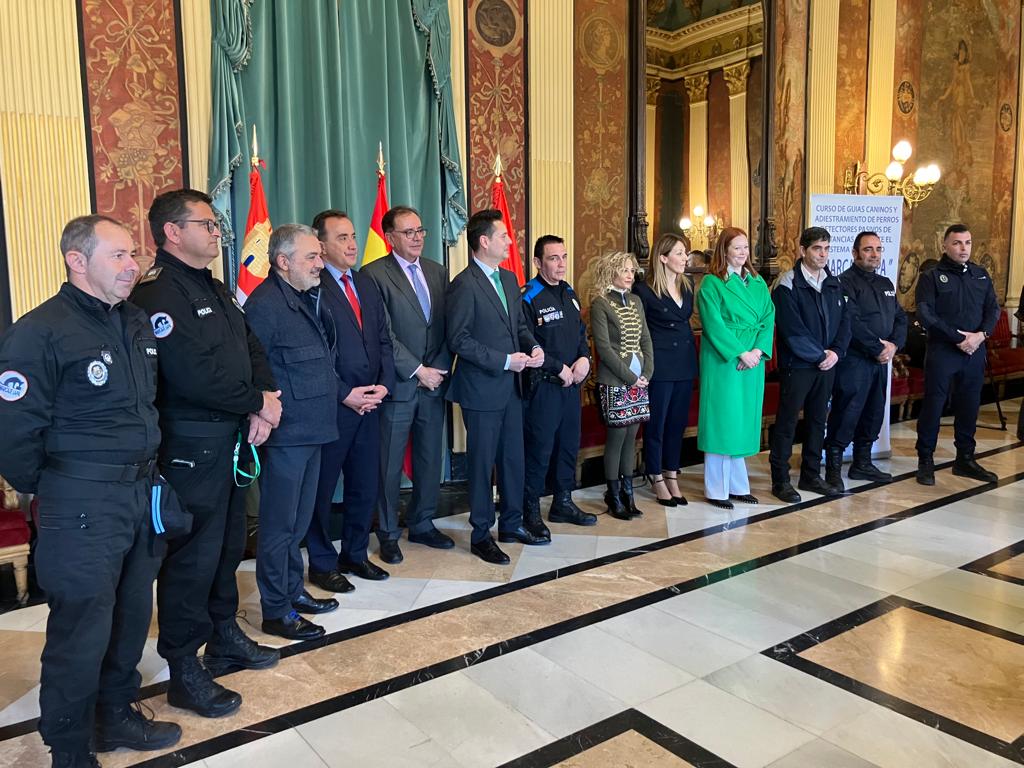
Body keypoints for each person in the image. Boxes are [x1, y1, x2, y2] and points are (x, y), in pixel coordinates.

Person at [0, 216, 180, 767]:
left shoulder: (134, 321)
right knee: (81, 630)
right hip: (79, 502)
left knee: (128, 618)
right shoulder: (39, 331)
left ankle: (115, 716)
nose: (133, 265)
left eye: (133, 255)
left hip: (138, 493)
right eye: (119, 256)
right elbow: (14, 435)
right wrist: (60, 487)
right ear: (77, 261)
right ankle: (71, 747)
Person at [131, 190, 281, 719]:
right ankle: (182, 666)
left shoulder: (212, 286)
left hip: (234, 437)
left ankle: (222, 634)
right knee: (191, 558)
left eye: (217, 224)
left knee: (227, 547)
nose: (219, 232)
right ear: (173, 232)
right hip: (191, 445)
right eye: (208, 224)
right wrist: (255, 401)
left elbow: (251, 346)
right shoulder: (158, 293)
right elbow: (191, 376)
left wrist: (265, 402)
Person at [244, 225, 340, 640]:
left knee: (298, 523)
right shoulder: (266, 304)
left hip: (313, 427)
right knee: (279, 525)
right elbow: (253, 366)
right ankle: (275, 609)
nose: (321, 264)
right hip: (287, 433)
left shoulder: (301, 298)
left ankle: (292, 589)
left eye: (320, 256)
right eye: (312, 258)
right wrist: (262, 411)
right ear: (283, 262)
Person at [446, 208, 547, 563]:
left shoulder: (507, 280)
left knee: (512, 459)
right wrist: (505, 360)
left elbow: (518, 325)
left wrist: (531, 346)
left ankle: (512, 523)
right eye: (504, 236)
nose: (510, 241)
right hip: (480, 390)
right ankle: (480, 534)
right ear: (484, 241)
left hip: (512, 389)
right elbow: (459, 339)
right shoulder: (463, 285)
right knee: (481, 463)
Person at [304, 210, 395, 587]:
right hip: (333, 408)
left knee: (364, 485)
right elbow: (314, 351)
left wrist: (385, 384)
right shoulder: (311, 285)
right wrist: (345, 395)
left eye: (354, 235)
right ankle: (323, 563)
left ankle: (355, 554)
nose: (353, 244)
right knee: (321, 491)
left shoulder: (366, 283)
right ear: (321, 246)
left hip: (371, 405)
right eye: (342, 237)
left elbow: (383, 339)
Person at [361, 206, 453, 563]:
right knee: (387, 464)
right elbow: (383, 334)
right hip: (399, 386)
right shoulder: (373, 274)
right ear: (390, 237)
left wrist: (439, 368)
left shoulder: (437, 271)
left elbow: (448, 327)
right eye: (409, 232)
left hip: (435, 384)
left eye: (420, 230)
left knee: (431, 459)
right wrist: (418, 370)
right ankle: (386, 532)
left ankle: (423, 522)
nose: (417, 238)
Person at [769, 226, 851, 502]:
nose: (823, 254)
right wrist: (820, 356)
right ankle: (780, 480)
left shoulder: (833, 283)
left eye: (827, 249)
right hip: (799, 365)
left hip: (828, 365)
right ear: (803, 250)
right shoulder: (788, 284)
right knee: (787, 422)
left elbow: (844, 323)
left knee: (818, 421)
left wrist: (836, 353)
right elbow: (792, 331)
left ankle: (811, 474)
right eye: (818, 248)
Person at [696, 227, 775, 509]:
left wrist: (756, 351)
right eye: (737, 248)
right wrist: (740, 352)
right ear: (724, 250)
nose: (743, 253)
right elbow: (713, 323)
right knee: (722, 420)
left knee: (742, 420)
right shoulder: (712, 283)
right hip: (725, 359)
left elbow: (768, 317)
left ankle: (739, 485)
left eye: (745, 248)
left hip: (752, 360)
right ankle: (717, 489)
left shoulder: (756, 282)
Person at [914, 223, 999, 485]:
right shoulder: (931, 276)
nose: (963, 248)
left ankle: (965, 459)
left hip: (974, 351)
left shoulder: (980, 275)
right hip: (943, 351)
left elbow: (993, 310)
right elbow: (926, 314)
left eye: (968, 243)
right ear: (945, 245)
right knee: (934, 405)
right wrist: (958, 337)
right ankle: (925, 461)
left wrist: (981, 335)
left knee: (969, 405)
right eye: (957, 243)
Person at [521, 235, 596, 528]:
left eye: (564, 257)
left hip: (571, 387)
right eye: (553, 258)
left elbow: (579, 334)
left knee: (568, 446)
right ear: (538, 262)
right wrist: (558, 368)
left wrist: (585, 358)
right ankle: (530, 511)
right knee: (539, 451)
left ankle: (562, 502)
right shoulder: (528, 296)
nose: (561, 263)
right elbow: (526, 342)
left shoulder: (569, 292)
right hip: (543, 388)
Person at [824, 232, 907, 490]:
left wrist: (894, 345)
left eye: (878, 249)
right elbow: (852, 321)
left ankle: (862, 463)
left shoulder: (886, 283)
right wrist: (876, 348)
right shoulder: (843, 282)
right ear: (855, 253)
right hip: (855, 361)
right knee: (847, 412)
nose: (874, 254)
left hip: (880, 362)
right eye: (868, 249)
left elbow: (900, 318)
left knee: (874, 411)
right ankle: (834, 470)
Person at [633, 233, 697, 507]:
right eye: (680, 253)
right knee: (657, 423)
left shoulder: (688, 284)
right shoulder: (644, 290)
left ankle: (672, 472)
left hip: (684, 360)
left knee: (677, 423)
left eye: (686, 253)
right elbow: (638, 331)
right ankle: (655, 474)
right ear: (663, 257)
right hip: (659, 363)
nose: (685, 258)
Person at [589, 251, 654, 520]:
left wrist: (648, 373)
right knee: (617, 438)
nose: (630, 275)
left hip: (640, 381)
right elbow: (604, 347)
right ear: (611, 272)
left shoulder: (637, 301)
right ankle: (613, 495)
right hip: (615, 381)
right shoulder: (600, 304)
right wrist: (631, 378)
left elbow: (646, 340)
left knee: (632, 438)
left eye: (632, 270)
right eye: (625, 270)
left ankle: (629, 493)